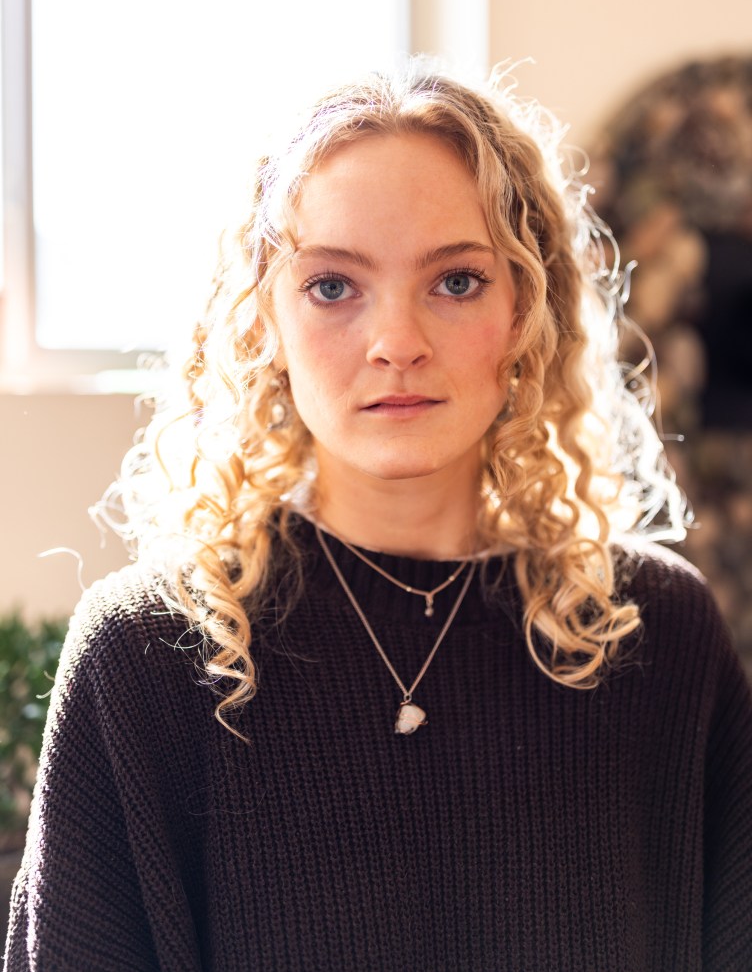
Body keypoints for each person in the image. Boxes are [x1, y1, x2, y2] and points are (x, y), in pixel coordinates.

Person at [5, 62, 752, 972]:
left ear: (528, 309)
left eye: (458, 282)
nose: (397, 341)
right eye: (332, 286)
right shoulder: (147, 654)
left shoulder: (653, 632)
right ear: (261, 325)